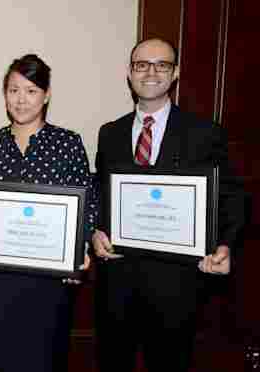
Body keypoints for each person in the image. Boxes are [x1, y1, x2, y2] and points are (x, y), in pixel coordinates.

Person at [92, 38, 245, 372]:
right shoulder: (110, 133)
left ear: (175, 73)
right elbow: (101, 194)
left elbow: (231, 198)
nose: (150, 72)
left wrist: (226, 245)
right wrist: (94, 232)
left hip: (176, 288)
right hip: (117, 285)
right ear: (129, 73)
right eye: (141, 64)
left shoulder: (205, 133)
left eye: (161, 64)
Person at [0, 54, 98, 372]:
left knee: (46, 359)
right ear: (4, 95)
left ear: (46, 95)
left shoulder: (68, 143)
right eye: (13, 90)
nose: (21, 99)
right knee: (1, 358)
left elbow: (87, 203)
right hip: (0, 276)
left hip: (51, 279)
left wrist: (79, 249)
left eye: (30, 90)